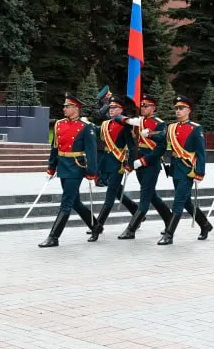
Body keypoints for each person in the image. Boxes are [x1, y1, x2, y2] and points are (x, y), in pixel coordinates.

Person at [38, 94, 98, 248]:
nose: (64, 108)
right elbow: (55, 148)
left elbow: (91, 151)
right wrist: (51, 167)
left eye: (67, 106)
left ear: (76, 108)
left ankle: (54, 236)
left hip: (76, 167)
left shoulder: (86, 127)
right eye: (64, 106)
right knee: (75, 202)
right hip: (63, 166)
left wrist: (91, 171)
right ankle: (96, 226)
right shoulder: (59, 124)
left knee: (66, 202)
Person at [151, 95, 209, 245]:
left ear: (188, 110)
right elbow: (162, 137)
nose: (178, 111)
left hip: (188, 170)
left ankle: (169, 235)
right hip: (176, 169)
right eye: (176, 108)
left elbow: (201, 153)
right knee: (186, 202)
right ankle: (205, 225)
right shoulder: (171, 127)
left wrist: (200, 172)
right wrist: (149, 134)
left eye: (181, 108)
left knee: (178, 202)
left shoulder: (196, 128)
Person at [117, 94, 172, 239]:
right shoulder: (138, 121)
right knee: (151, 195)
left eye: (146, 106)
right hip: (138, 163)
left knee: (145, 197)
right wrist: (127, 120)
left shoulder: (160, 124)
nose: (143, 108)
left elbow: (161, 148)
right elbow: (117, 119)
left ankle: (131, 229)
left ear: (153, 108)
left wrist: (144, 161)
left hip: (151, 165)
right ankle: (169, 219)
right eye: (142, 105)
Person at [88, 94, 137, 241]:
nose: (111, 109)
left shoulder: (125, 126)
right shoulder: (105, 124)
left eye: (114, 107)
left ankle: (97, 227)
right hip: (105, 162)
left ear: (121, 109)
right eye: (110, 107)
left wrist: (130, 165)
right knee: (116, 191)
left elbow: (133, 147)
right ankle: (136, 211)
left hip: (118, 163)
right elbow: (97, 133)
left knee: (109, 196)